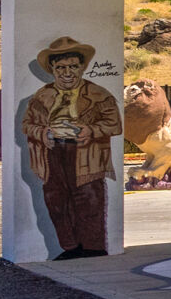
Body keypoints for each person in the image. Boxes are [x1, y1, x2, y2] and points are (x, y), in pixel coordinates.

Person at [17, 35, 123, 258]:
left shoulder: (99, 94)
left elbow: (114, 124)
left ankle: (93, 249)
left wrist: (91, 131)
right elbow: (27, 124)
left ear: (82, 67)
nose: (67, 73)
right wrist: (43, 133)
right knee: (56, 201)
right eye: (61, 67)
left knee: (89, 200)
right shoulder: (41, 96)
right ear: (52, 69)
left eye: (73, 66)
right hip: (52, 154)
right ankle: (70, 248)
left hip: (86, 154)